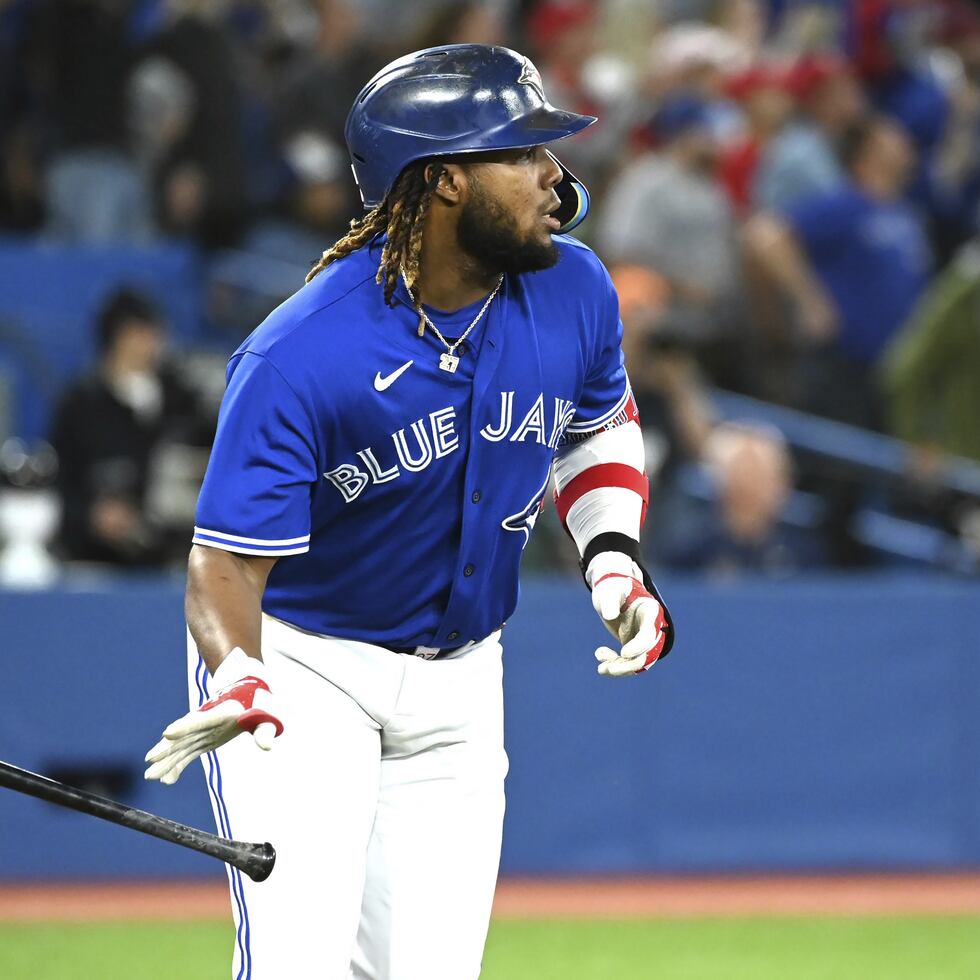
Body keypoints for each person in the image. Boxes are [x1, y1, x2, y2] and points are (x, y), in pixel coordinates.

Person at [143, 44, 674, 980]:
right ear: (443, 183)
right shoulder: (299, 355)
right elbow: (223, 563)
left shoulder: (575, 287)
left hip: (463, 680)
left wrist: (614, 562)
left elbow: (597, 428)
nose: (556, 173)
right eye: (522, 153)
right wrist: (235, 672)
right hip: (306, 672)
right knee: (297, 965)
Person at [49, 288, 210, 566]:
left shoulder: (182, 399)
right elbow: (59, 481)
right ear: (117, 339)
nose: (153, 344)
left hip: (174, 556)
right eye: (140, 334)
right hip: (94, 560)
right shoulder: (80, 405)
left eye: (154, 333)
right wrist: (92, 515)